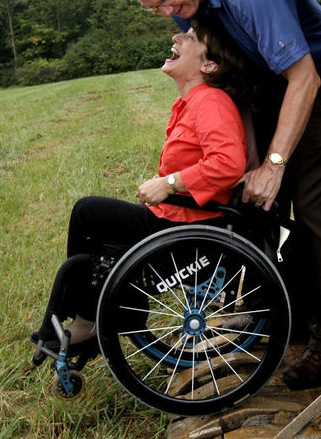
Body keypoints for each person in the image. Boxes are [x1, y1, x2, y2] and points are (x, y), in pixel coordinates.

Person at [116, 0, 321, 389]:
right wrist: (250, 160)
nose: (168, 12)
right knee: (252, 200)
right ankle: (274, 311)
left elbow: (303, 77)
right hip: (272, 85)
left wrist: (275, 163)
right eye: (155, 8)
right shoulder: (196, 4)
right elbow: (241, 86)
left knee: (311, 208)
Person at [31, 18, 249, 361]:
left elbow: (228, 162)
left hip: (190, 228)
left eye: (190, 37)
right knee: (97, 231)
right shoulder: (190, 103)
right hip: (176, 218)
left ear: (209, 64)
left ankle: (91, 320)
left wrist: (169, 183)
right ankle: (99, 313)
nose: (177, 36)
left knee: (89, 212)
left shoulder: (210, 102)